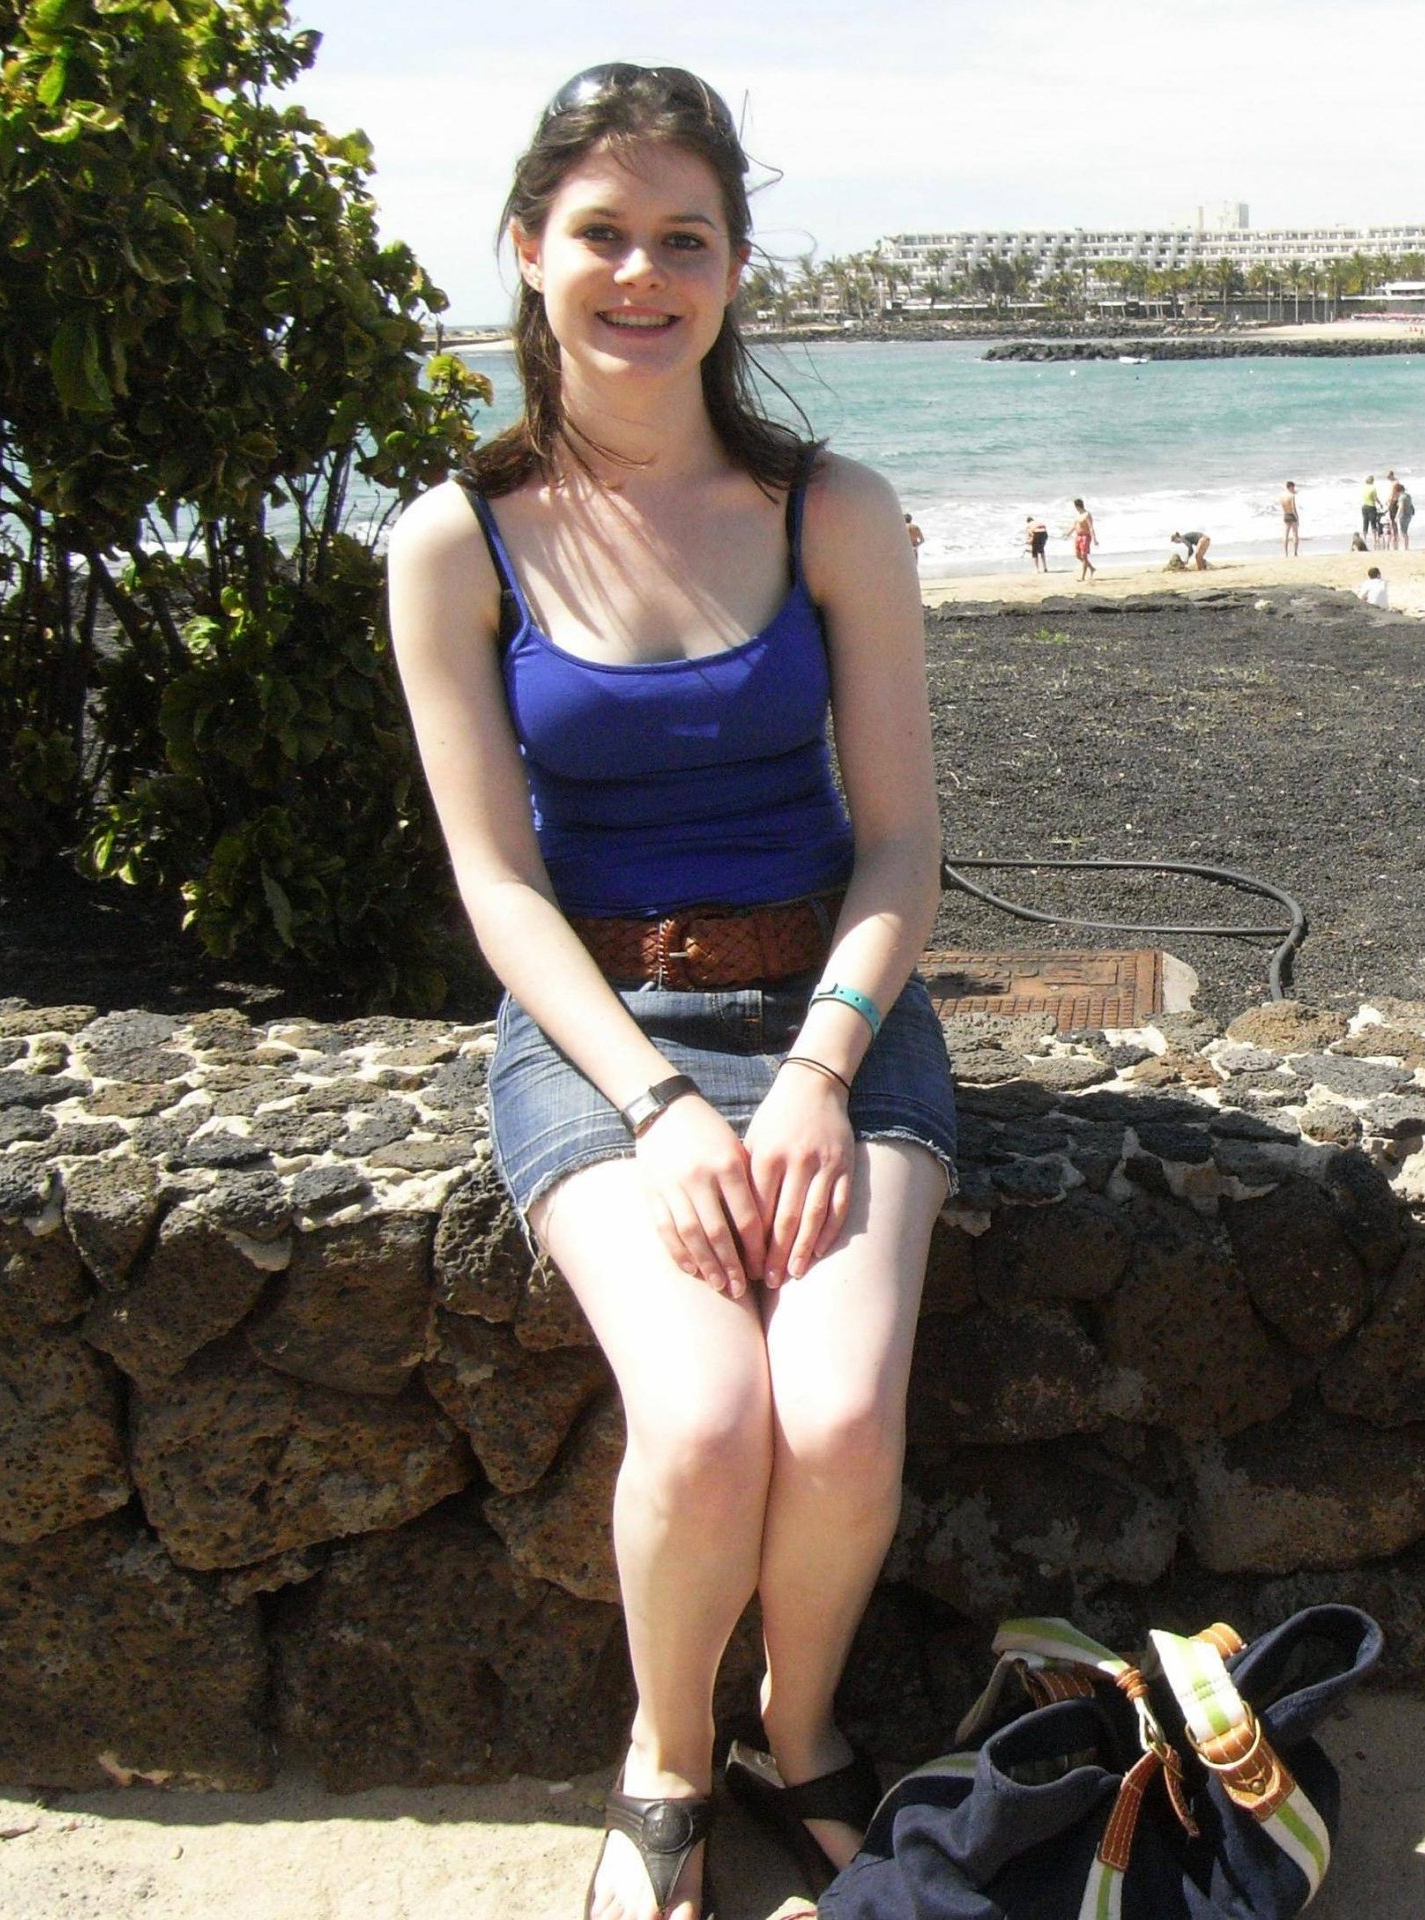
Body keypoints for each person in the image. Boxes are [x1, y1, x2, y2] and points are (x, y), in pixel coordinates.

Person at [387, 64, 957, 1920]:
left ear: (732, 268)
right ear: (527, 251)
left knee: (838, 1416)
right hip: (600, 1034)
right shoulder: (454, 539)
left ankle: (801, 1726)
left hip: (832, 1016)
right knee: (707, 1417)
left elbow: (900, 849)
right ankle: (666, 1755)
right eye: (603, 233)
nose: (643, 273)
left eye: (684, 239)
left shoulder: (827, 508)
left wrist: (815, 1075)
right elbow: (497, 883)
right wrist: (653, 1102)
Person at [1065, 497, 1096, 581]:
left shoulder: (1087, 514)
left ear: (1078, 506)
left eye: (1075, 506)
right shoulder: (1078, 515)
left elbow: (1090, 527)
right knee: (1077, 555)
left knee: (1084, 555)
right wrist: (1068, 533)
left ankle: (1082, 577)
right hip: (1078, 536)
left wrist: (1094, 539)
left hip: (1085, 536)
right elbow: (1074, 526)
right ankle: (1091, 568)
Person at [1361, 475, 1382, 547]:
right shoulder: (1373, 488)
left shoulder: (1363, 488)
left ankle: (1364, 539)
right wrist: (1380, 504)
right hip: (1371, 506)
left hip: (1364, 506)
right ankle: (1374, 539)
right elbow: (1375, 498)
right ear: (1372, 481)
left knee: (1365, 522)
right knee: (1373, 523)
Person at [1385, 471, 1404, 549]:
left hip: (1394, 501)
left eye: (1388, 476)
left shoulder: (1394, 483)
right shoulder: (1394, 482)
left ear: (1392, 475)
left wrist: (1389, 502)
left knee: (1393, 519)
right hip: (1394, 500)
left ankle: (1395, 536)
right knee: (1393, 519)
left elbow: (1393, 494)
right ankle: (1395, 535)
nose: (1387, 478)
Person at [1280, 481, 1299, 556]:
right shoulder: (1291, 496)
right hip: (1292, 515)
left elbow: (1282, 506)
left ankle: (1285, 553)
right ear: (1290, 487)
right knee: (1295, 534)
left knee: (1286, 535)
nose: (1294, 488)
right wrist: (1297, 517)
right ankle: (1295, 552)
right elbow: (1293, 508)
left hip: (1286, 514)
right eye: (1293, 487)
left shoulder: (1282, 496)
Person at [1397, 485, 1415, 550]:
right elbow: (1411, 505)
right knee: (1405, 530)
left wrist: (1397, 515)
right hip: (1409, 514)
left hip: (1403, 515)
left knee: (1402, 531)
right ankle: (1406, 546)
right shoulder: (1408, 496)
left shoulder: (1401, 497)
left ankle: (1405, 547)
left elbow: (1401, 507)